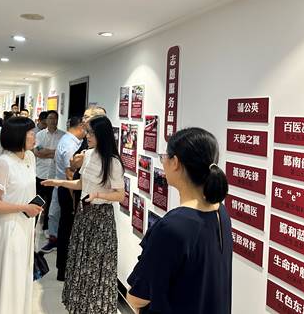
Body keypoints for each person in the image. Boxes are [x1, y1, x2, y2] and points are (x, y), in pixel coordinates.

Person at [127, 127, 232, 314]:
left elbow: (137, 298)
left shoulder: (173, 227)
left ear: (175, 162)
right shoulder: (220, 212)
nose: (163, 162)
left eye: (164, 157)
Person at [42, 115, 125, 313]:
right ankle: (81, 305)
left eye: (91, 133)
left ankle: (96, 307)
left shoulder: (113, 162)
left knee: (97, 264)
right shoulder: (87, 154)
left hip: (101, 218)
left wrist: (98, 195)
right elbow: (81, 184)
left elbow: (120, 195)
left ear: (102, 135)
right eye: (87, 132)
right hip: (84, 214)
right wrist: (58, 182)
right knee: (81, 260)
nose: (87, 136)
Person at [0, 116, 42, 314]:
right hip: (10, 227)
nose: (34, 136)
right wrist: (23, 207)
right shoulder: (3, 163)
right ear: (18, 136)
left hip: (27, 225)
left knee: (23, 280)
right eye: (30, 133)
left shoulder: (30, 157)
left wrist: (32, 208)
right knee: (9, 281)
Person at [56, 106, 106, 280]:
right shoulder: (86, 141)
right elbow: (71, 169)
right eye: (84, 117)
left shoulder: (101, 146)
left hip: (88, 198)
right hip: (75, 194)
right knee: (69, 231)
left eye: (88, 117)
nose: (84, 121)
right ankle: (65, 270)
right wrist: (74, 202)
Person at [40, 116, 85, 254]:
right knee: (61, 216)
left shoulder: (65, 138)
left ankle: (55, 240)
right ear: (81, 127)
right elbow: (70, 173)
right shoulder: (70, 144)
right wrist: (74, 199)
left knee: (55, 213)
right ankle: (57, 241)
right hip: (66, 186)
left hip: (61, 184)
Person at [34, 110, 65, 237]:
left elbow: (60, 154)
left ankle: (47, 228)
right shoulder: (40, 135)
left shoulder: (63, 135)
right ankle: (33, 225)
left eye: (55, 118)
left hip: (54, 175)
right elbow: (37, 151)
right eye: (50, 118)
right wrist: (53, 152)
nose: (53, 121)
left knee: (51, 204)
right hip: (40, 173)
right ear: (46, 120)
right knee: (37, 201)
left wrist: (46, 152)